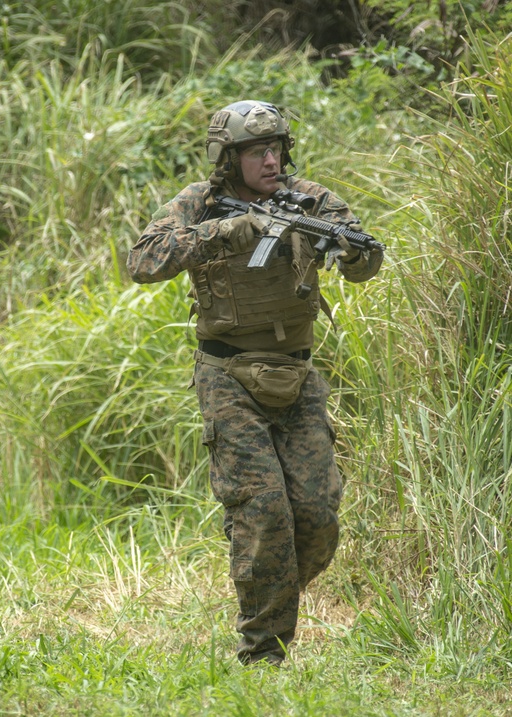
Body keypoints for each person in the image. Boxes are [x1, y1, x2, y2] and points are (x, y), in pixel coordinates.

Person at [127, 100, 383, 666]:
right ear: (228, 157)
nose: (271, 161)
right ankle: (263, 651)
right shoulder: (197, 202)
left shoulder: (313, 200)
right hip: (227, 374)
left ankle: (271, 593)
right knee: (264, 512)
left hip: (296, 371)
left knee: (317, 515)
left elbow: (365, 264)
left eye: (276, 149)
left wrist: (353, 255)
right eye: (256, 153)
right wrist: (236, 230)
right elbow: (143, 261)